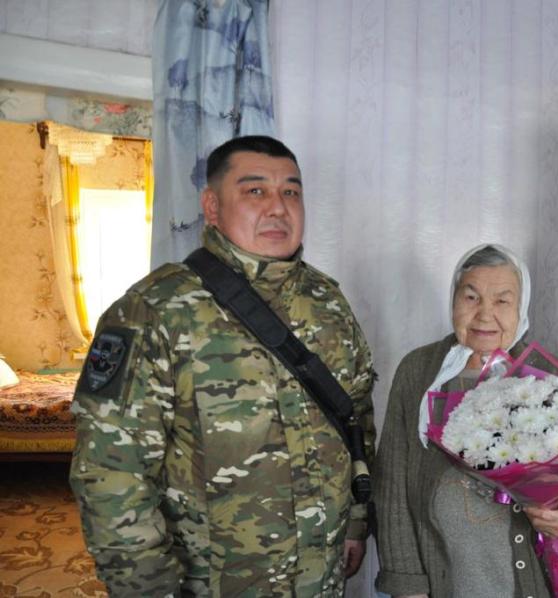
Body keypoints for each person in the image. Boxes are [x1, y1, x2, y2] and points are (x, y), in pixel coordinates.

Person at [69, 135, 376, 597]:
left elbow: (357, 420)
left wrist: (356, 521)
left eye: (291, 192)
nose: (278, 208)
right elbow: (111, 475)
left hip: (320, 579)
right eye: (255, 191)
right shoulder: (155, 311)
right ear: (212, 206)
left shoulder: (328, 303)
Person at [374, 244, 558, 598]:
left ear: (521, 308)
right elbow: (393, 487)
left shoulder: (546, 375)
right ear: (453, 301)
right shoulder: (418, 371)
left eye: (502, 301)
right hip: (446, 585)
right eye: (471, 297)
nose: (485, 315)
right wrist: (408, 587)